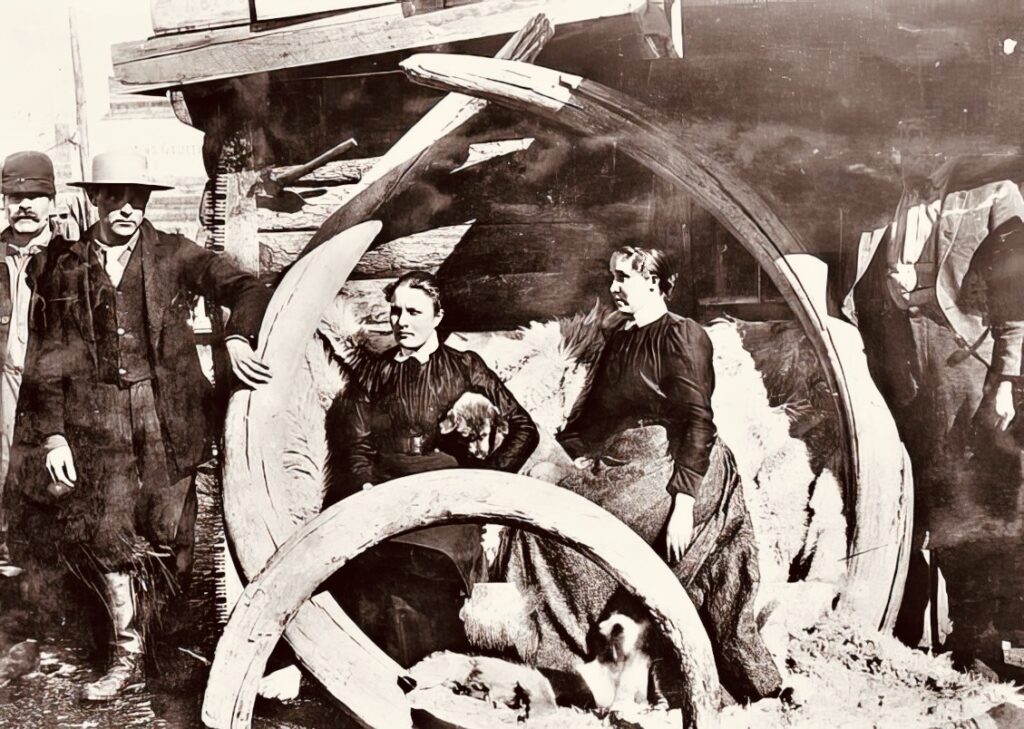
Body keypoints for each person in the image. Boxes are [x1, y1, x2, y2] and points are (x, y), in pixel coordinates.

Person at [4, 150, 273, 700]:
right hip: (96, 417)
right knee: (108, 533)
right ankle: (124, 657)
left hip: (166, 412)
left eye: (138, 198)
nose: (127, 208)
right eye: (116, 197)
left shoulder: (174, 254)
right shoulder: (65, 264)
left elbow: (247, 288)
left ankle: (169, 651)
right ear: (96, 200)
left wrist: (236, 337)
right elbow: (46, 355)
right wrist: (55, 434)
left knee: (171, 530)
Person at [497, 245, 782, 703]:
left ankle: (587, 669)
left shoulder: (683, 336)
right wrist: (555, 457)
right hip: (622, 463)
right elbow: (594, 423)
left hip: (679, 467)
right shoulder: (620, 339)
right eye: (612, 276)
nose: (613, 287)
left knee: (574, 540)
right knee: (539, 522)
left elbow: (698, 423)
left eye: (624, 278)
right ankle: (559, 664)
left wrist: (684, 505)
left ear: (654, 282)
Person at [325, 270, 539, 666]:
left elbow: (525, 429)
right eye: (395, 311)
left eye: (414, 312)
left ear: (438, 317)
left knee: (434, 559)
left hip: (449, 491)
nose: (402, 321)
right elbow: (355, 444)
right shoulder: (374, 372)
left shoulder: (464, 367)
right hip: (387, 486)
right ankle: (384, 671)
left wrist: (486, 481)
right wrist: (366, 485)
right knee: (371, 560)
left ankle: (443, 665)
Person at [0, 151, 74, 562]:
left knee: (48, 492)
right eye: (14, 196)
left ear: (51, 200)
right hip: (4, 387)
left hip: (52, 390)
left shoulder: (73, 258)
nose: (24, 205)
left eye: (35, 196)